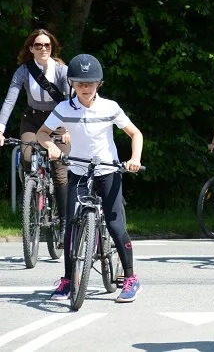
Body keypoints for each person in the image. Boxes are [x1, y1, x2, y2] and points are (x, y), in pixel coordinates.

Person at [37, 54, 144, 303]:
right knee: (71, 224)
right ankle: (67, 280)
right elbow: (43, 133)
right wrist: (50, 147)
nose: (85, 88)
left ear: (99, 84)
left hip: (107, 170)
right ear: (72, 84)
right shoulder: (64, 108)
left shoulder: (110, 107)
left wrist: (134, 158)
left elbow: (135, 133)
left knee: (116, 225)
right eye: (80, 83)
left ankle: (130, 278)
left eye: (91, 83)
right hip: (78, 169)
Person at [0, 29, 70, 245]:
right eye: (38, 45)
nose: (43, 49)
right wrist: (0, 127)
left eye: (47, 45)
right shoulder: (23, 71)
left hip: (58, 121)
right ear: (31, 48)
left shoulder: (61, 71)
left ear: (52, 48)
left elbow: (69, 100)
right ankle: (32, 189)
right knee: (27, 157)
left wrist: (67, 128)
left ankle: (64, 221)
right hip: (31, 119)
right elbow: (10, 99)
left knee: (59, 167)